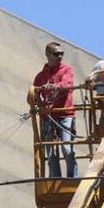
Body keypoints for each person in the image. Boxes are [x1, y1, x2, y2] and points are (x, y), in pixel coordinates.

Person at [30, 41, 78, 178]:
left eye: (62, 54)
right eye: (56, 54)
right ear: (48, 55)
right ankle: (54, 179)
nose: (60, 56)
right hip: (49, 117)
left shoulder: (66, 70)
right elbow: (33, 93)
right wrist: (41, 104)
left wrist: (54, 86)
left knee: (67, 149)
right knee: (51, 152)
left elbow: (67, 84)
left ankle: (72, 178)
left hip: (65, 114)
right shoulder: (40, 76)